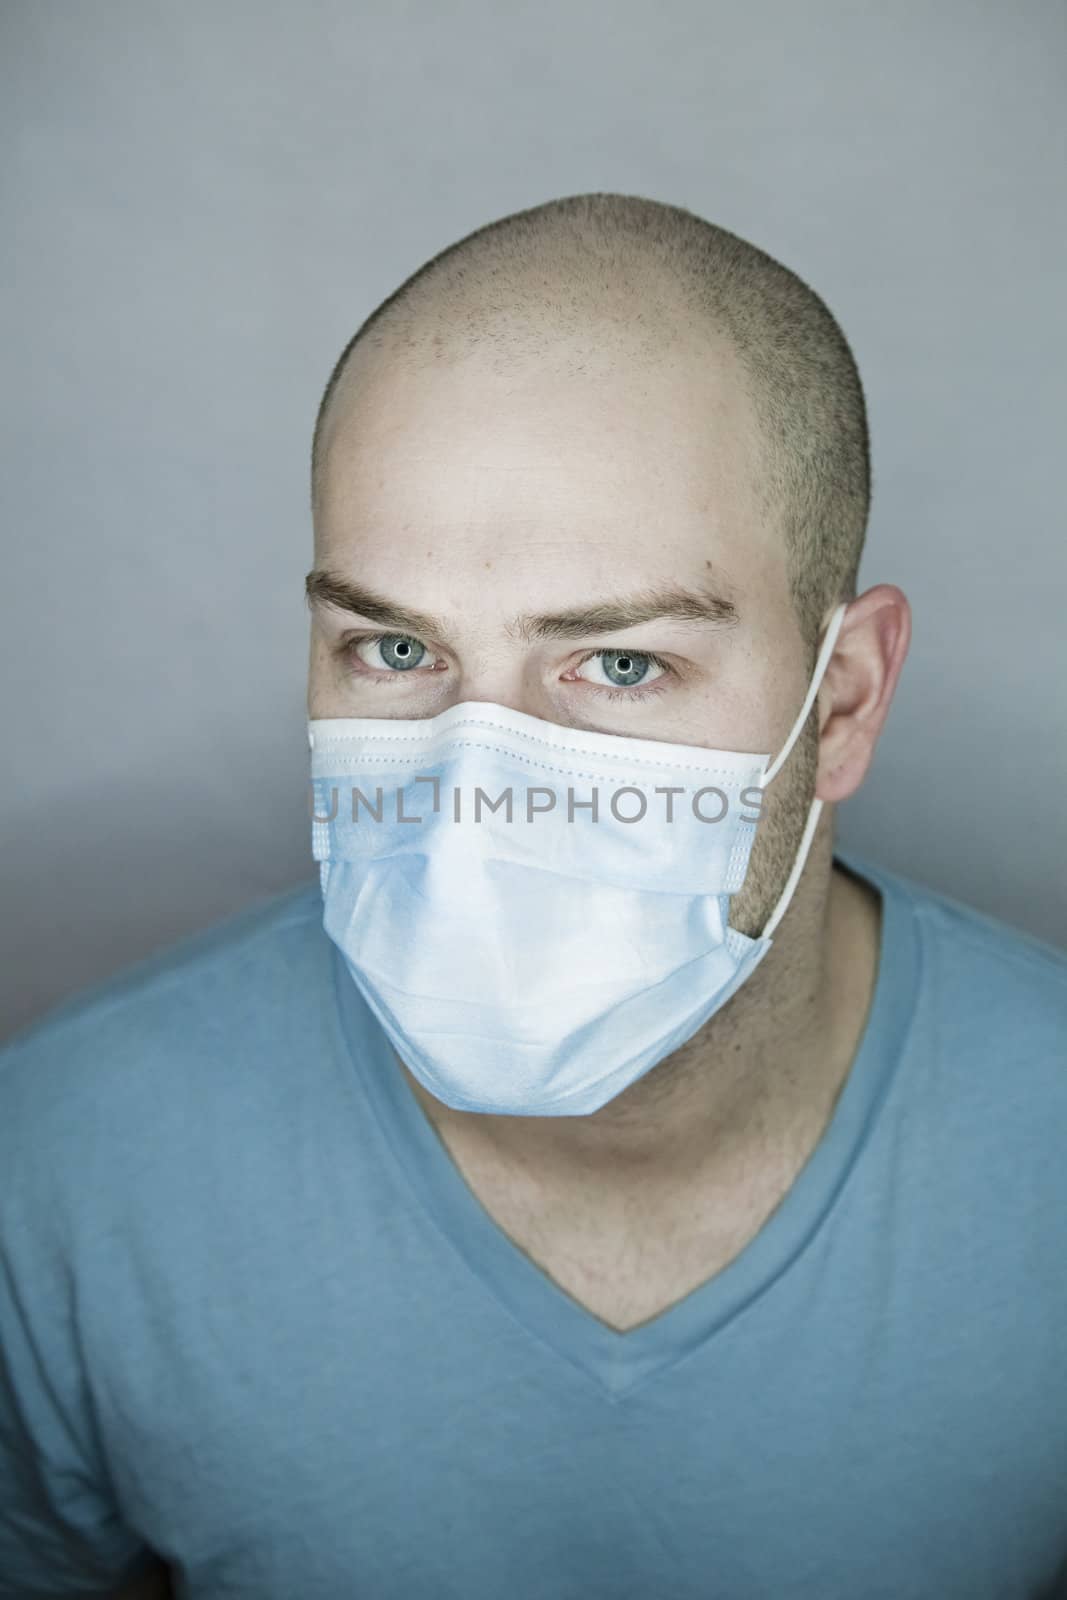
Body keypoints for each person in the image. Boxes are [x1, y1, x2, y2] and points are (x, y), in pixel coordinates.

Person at [2, 193, 1065, 1600]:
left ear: (847, 698)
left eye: (618, 664)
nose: (471, 795)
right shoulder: (67, 1168)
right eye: (392, 646)